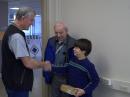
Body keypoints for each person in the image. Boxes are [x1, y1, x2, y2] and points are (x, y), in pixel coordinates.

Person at [1, 7, 49, 97]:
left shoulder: (10, 30)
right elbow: (28, 63)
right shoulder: (16, 37)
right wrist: (44, 64)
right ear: (23, 18)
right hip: (17, 83)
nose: (32, 23)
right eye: (31, 20)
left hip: (11, 80)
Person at [43, 21, 76, 97]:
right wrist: (46, 74)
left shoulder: (73, 43)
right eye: (56, 33)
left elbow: (74, 63)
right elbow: (46, 58)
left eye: (61, 33)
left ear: (66, 31)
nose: (58, 35)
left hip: (67, 78)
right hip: (54, 76)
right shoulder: (50, 41)